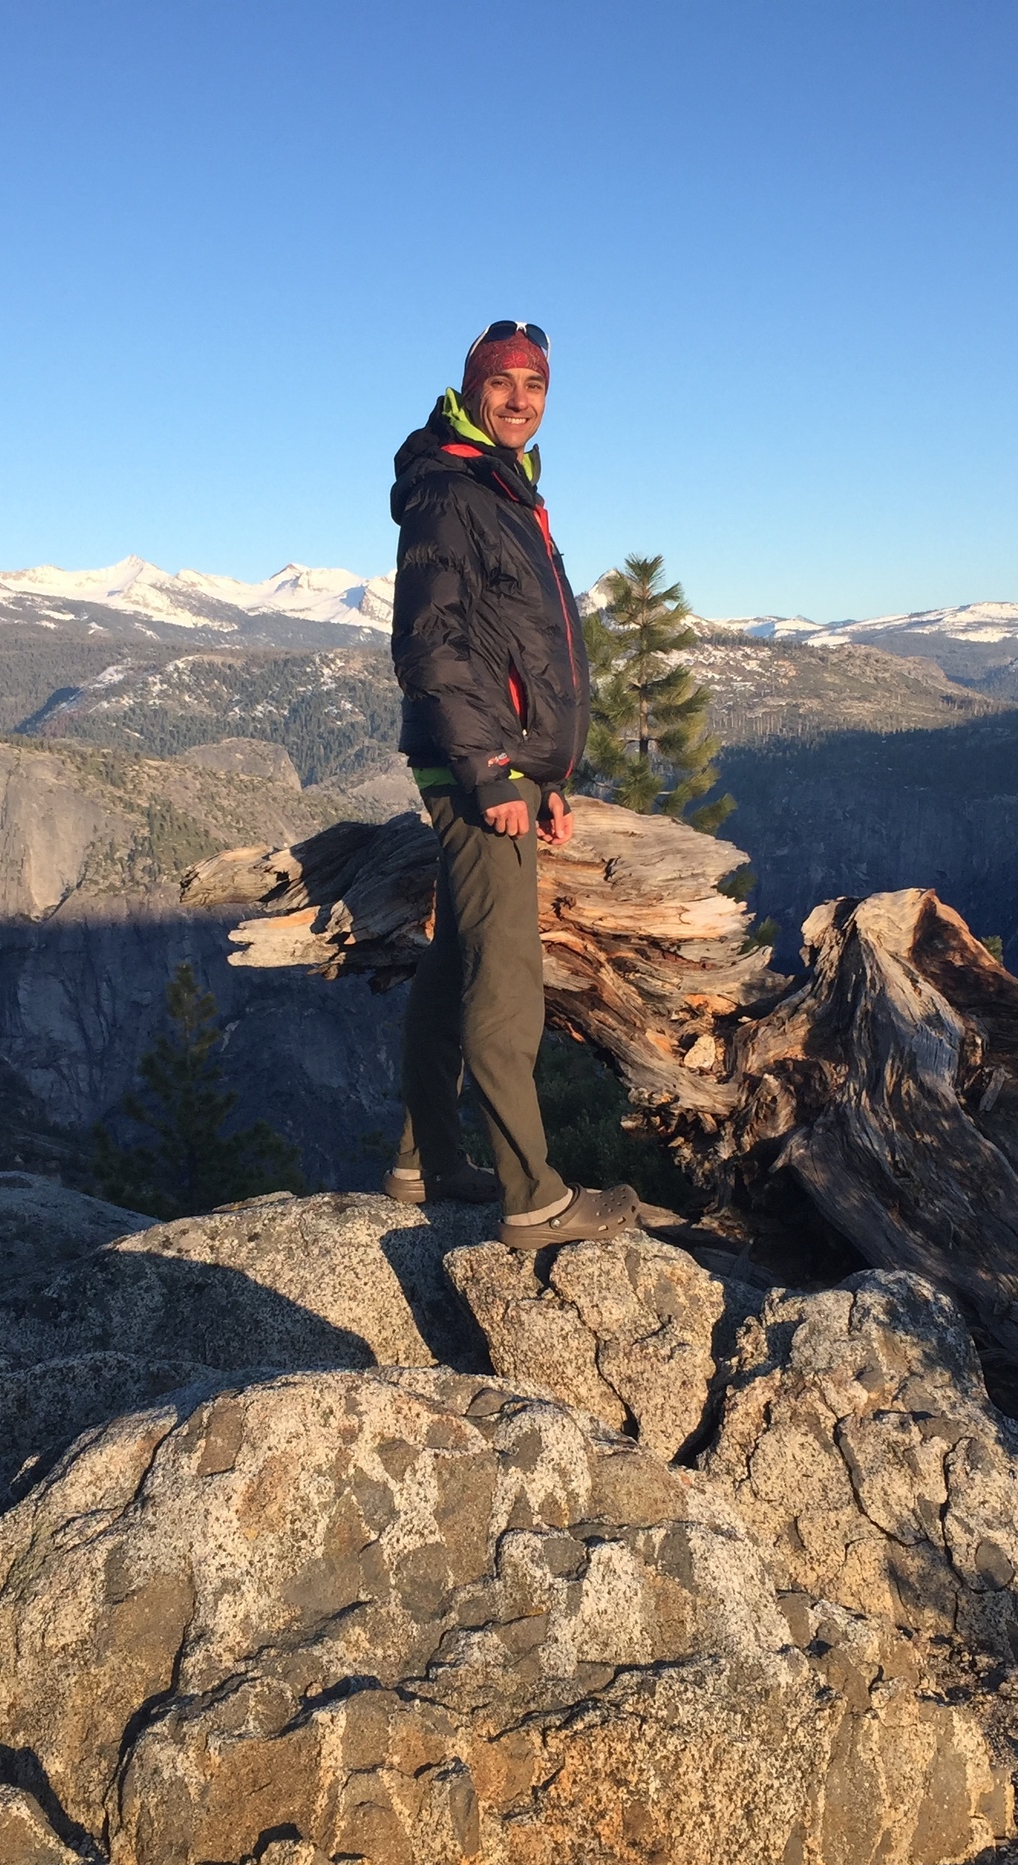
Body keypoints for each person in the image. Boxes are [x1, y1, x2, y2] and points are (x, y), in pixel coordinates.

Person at [382, 320, 638, 1252]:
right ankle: (534, 1198)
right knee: (508, 977)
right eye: (504, 384)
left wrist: (541, 774)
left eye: (535, 384)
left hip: (496, 762)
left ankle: (427, 1162)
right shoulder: (455, 490)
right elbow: (433, 645)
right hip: (471, 765)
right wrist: (492, 770)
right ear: (473, 388)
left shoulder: (497, 485)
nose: (521, 398)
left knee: (455, 962)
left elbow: (511, 647)